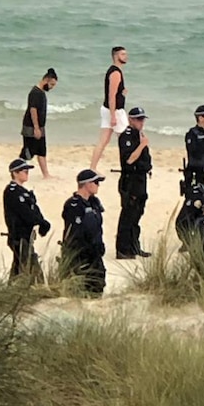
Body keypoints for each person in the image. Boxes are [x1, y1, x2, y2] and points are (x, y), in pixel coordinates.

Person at [2, 158, 51, 282]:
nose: (26, 174)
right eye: (24, 171)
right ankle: (38, 290)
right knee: (32, 268)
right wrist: (39, 222)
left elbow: (33, 210)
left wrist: (41, 221)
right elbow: (25, 213)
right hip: (18, 236)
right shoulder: (12, 191)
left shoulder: (24, 192)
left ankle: (11, 290)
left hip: (26, 236)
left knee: (19, 267)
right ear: (15, 173)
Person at [61, 169, 107, 297]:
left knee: (98, 283)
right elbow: (75, 232)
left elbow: (97, 226)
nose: (98, 185)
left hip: (95, 251)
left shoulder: (94, 202)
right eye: (96, 182)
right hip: (80, 253)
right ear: (87, 184)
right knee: (80, 286)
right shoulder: (73, 204)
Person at [115, 107, 153, 259]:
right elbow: (129, 159)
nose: (141, 122)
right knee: (128, 215)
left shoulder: (139, 135)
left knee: (137, 214)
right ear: (130, 120)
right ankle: (123, 249)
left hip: (141, 179)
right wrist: (143, 145)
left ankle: (134, 246)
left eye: (142, 119)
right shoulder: (127, 136)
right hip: (130, 180)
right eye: (138, 119)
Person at [90, 46, 128, 171]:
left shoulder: (115, 71)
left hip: (108, 109)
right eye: (123, 54)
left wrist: (122, 93)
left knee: (103, 141)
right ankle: (128, 166)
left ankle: (92, 167)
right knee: (128, 139)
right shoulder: (115, 72)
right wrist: (113, 116)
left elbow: (114, 92)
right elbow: (111, 95)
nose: (126, 56)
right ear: (116, 56)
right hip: (115, 111)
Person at [20, 68, 58, 179]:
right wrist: (36, 128)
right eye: (51, 84)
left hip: (40, 127)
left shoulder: (41, 93)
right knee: (28, 151)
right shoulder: (35, 93)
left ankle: (46, 174)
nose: (51, 87)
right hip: (31, 127)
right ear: (46, 80)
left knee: (41, 150)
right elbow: (33, 110)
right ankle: (18, 170)